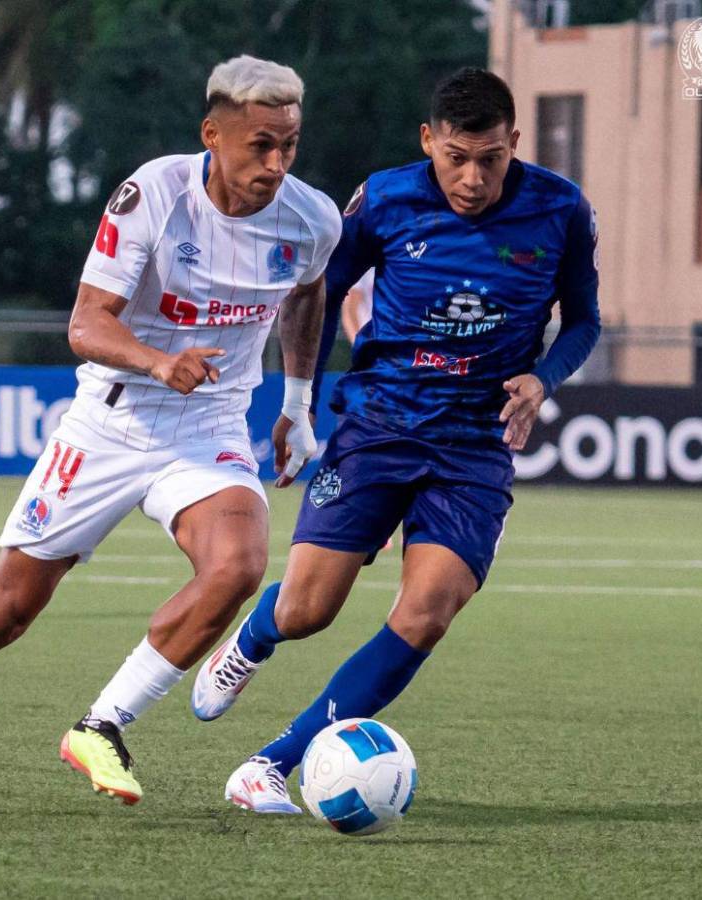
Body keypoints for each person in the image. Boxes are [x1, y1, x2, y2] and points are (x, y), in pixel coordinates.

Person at [0, 55, 342, 820]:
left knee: (238, 565)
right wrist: (158, 362)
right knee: (2, 613)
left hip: (208, 427)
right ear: (213, 134)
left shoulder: (312, 219)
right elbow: (85, 324)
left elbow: (308, 294)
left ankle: (101, 724)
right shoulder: (155, 196)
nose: (276, 164)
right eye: (260, 145)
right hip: (111, 420)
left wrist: (298, 401)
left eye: (290, 145)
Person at [191, 67, 601, 813]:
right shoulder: (383, 199)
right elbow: (315, 290)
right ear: (428, 142)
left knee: (427, 611)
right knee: (310, 608)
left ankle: (269, 765)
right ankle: (253, 639)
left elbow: (583, 320)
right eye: (456, 158)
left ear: (515, 143)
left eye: (491, 159)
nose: (473, 178)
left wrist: (544, 377)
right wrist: (299, 402)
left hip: (475, 444)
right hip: (379, 425)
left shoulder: (562, 210)